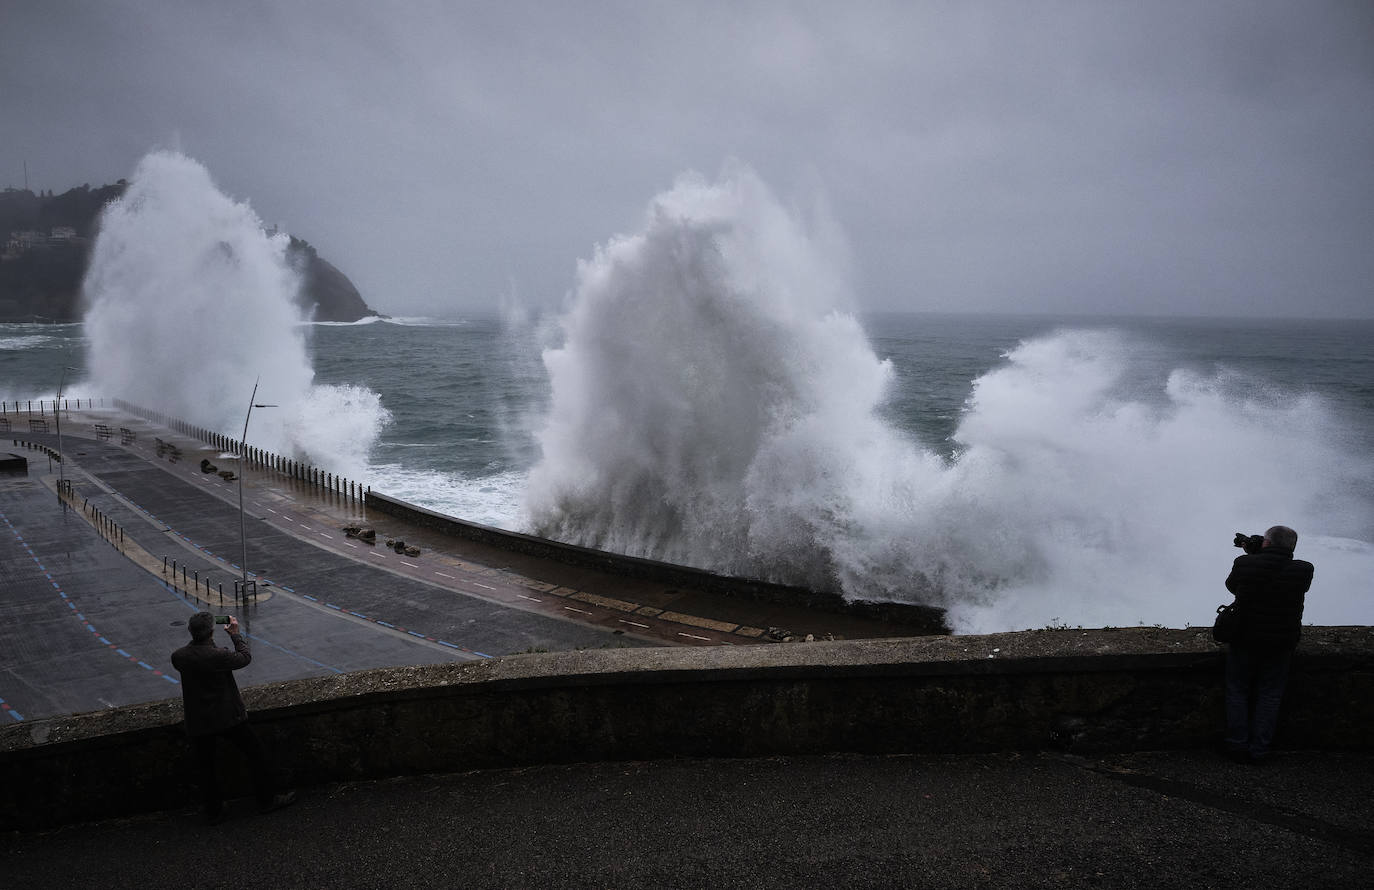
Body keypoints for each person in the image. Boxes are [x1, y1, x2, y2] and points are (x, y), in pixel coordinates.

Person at [171, 611, 294, 823]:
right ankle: (266, 800)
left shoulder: (179, 657)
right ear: (211, 631)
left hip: (199, 721)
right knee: (256, 754)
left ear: (191, 632)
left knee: (206, 767)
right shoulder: (219, 655)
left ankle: (214, 810)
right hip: (228, 717)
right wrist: (235, 634)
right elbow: (245, 657)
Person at [1221, 525, 1313, 764]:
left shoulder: (1244, 564)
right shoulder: (1304, 570)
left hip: (1245, 637)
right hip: (1281, 642)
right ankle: (1260, 750)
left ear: (1266, 543)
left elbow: (1233, 586)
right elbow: (1277, 571)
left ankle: (1236, 745)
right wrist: (1262, 552)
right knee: (1270, 694)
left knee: (1237, 690)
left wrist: (1253, 553)